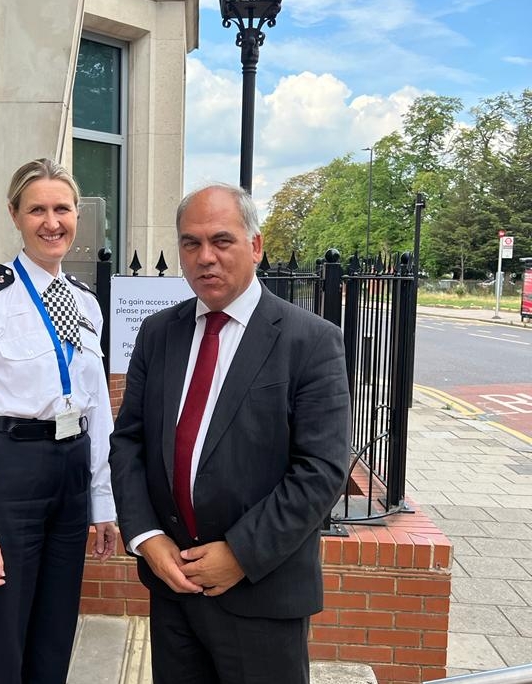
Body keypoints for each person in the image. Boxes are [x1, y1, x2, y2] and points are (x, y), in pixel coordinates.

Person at [109, 183, 351, 684]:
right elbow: (129, 442)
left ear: (255, 246)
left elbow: (321, 470)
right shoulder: (159, 333)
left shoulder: (309, 341)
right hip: (173, 587)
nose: (206, 257)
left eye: (222, 240)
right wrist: (146, 536)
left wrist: (239, 554)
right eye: (191, 243)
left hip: (261, 594)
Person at [0, 158, 117, 684]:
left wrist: (102, 499)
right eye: (37, 209)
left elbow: (96, 407)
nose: (52, 221)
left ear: (77, 215)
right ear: (15, 216)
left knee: (53, 638)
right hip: (10, 474)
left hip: (69, 478)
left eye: (62, 208)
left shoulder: (87, 304)